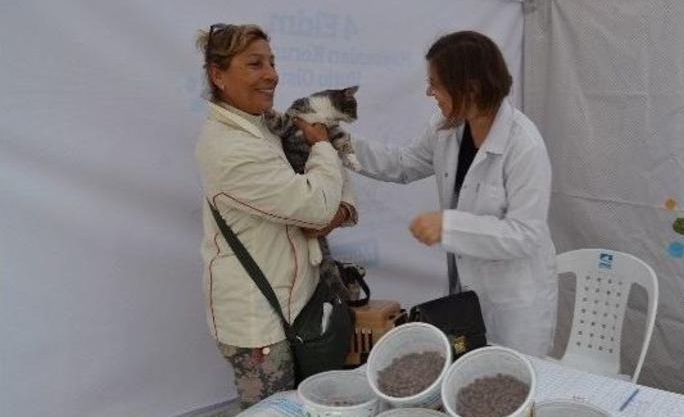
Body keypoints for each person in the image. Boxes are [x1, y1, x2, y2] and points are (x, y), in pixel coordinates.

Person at [354, 30, 558, 356]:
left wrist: (449, 226)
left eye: (435, 83)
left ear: (471, 87)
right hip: (466, 291)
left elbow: (525, 233)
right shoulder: (447, 125)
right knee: (470, 377)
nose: (428, 92)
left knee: (510, 388)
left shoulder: (524, 144)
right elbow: (405, 164)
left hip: (514, 302)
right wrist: (342, 144)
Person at [194, 23, 356, 408]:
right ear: (218, 75)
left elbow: (334, 181)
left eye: (271, 61)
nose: (272, 74)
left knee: (306, 406)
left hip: (294, 304)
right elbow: (316, 203)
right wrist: (322, 152)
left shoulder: (265, 124)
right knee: (274, 412)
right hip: (259, 327)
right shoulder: (229, 149)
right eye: (254, 64)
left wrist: (343, 208)